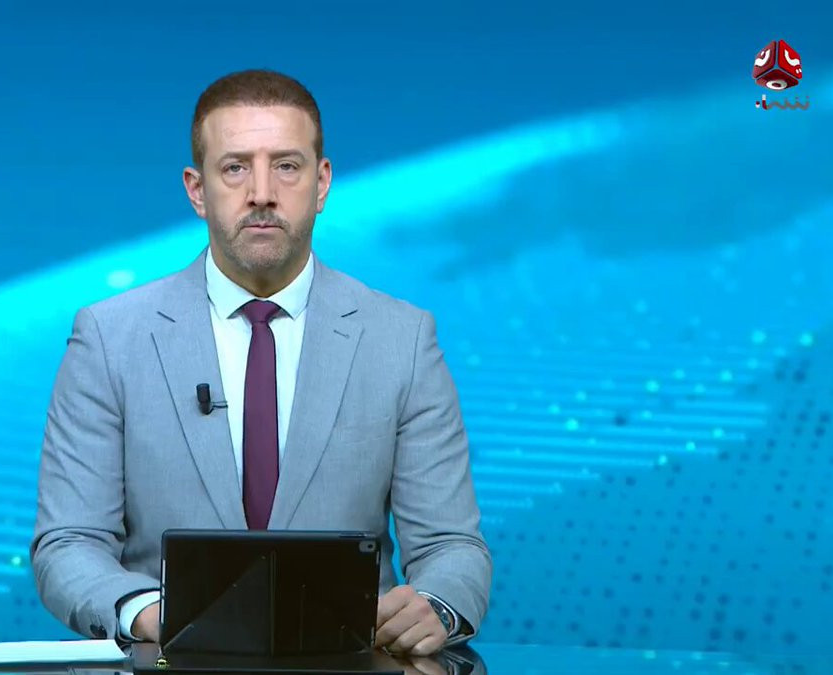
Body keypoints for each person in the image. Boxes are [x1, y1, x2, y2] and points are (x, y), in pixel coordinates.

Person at [31, 68, 491, 657]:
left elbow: (453, 546)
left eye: (287, 166)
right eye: (235, 168)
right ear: (197, 190)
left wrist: (437, 607)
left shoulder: (402, 339)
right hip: (170, 662)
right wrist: (150, 614)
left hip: (349, 662)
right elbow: (68, 543)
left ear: (321, 183)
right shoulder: (109, 339)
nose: (262, 193)